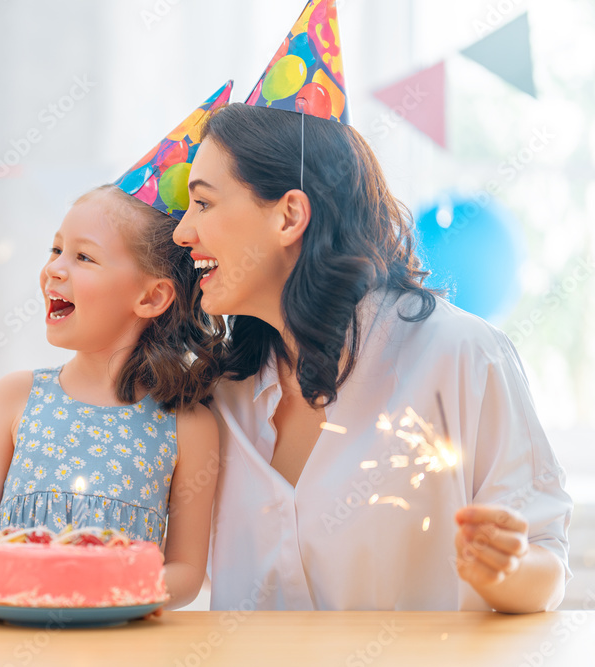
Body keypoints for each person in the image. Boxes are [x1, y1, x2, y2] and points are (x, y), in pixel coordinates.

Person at [174, 99, 572, 613]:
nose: (183, 232)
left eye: (203, 204)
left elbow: (545, 563)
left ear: (289, 215)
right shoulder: (220, 396)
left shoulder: (462, 355)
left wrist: (507, 568)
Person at [0, 182, 221, 609]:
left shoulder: (188, 425)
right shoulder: (16, 396)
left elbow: (186, 571)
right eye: (56, 250)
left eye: (83, 257)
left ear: (151, 296)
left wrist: (103, 593)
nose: (55, 268)